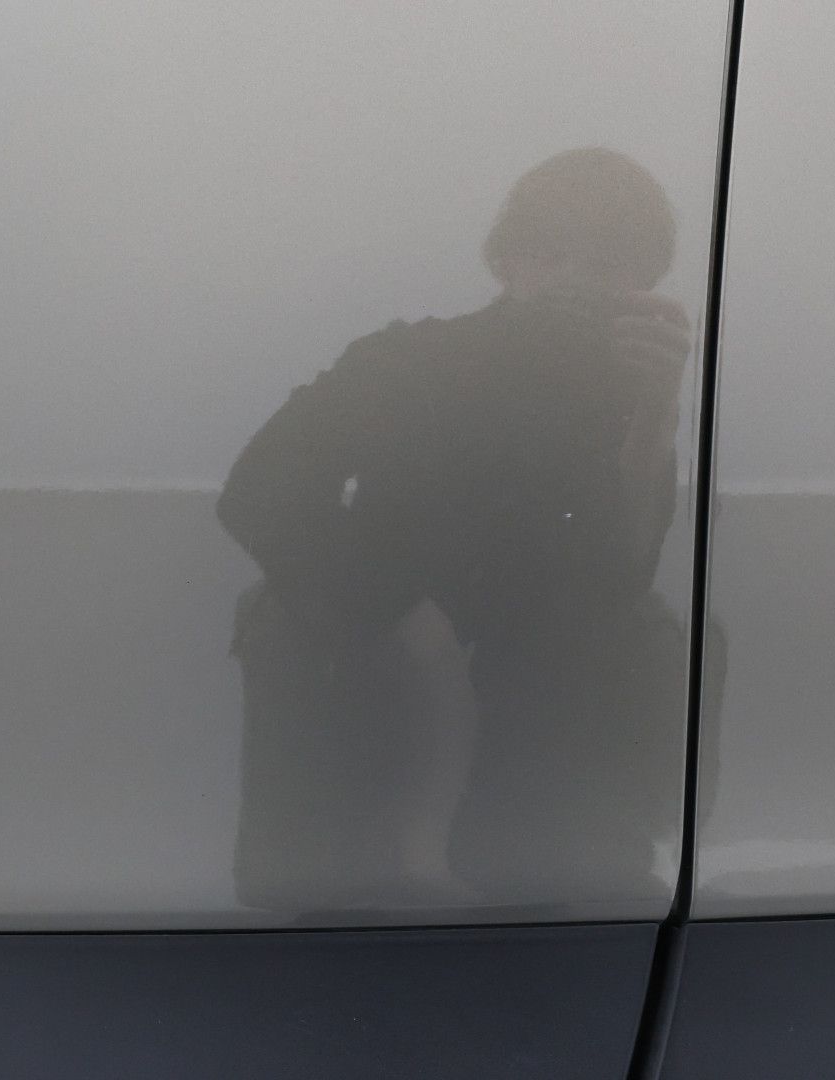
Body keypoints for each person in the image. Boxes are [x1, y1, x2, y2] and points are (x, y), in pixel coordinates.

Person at [218, 147, 705, 917]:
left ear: (644, 282)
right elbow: (256, 491)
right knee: (276, 614)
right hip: (371, 645)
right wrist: (400, 615)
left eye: (609, 262)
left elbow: (621, 578)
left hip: (534, 682)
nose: (576, 279)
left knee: (654, 629)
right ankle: (340, 882)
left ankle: (595, 870)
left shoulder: (625, 393)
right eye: (552, 251)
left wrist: (656, 415)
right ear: (506, 261)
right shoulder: (409, 360)